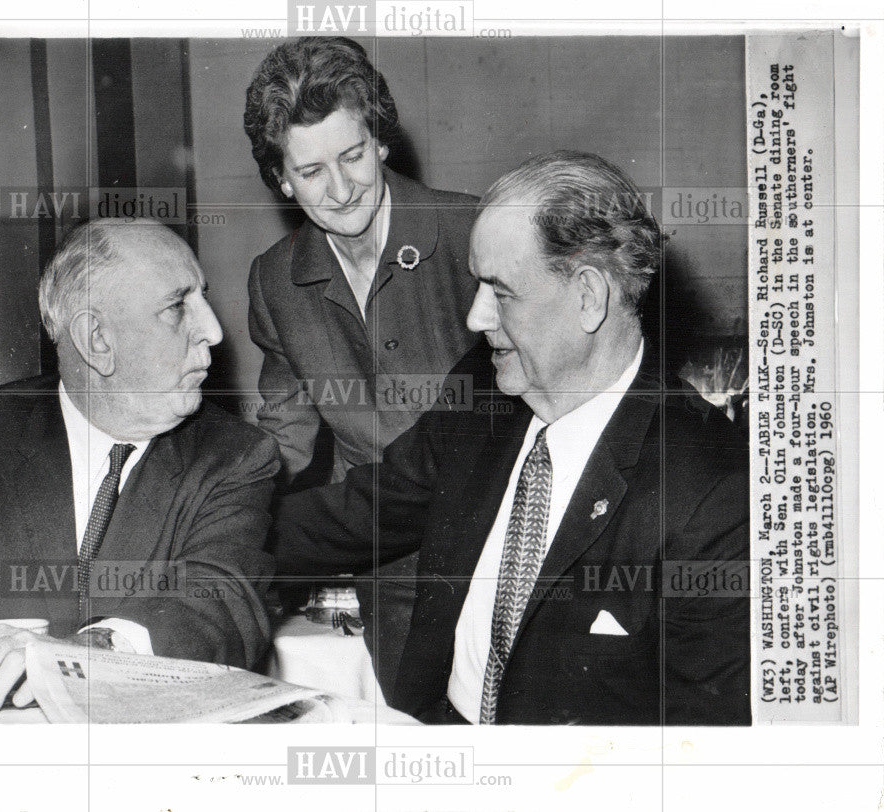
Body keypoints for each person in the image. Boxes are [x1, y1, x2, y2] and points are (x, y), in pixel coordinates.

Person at [272, 152, 752, 725]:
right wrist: (203, 534)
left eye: (500, 293)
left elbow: (703, 747)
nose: (475, 318)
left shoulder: (714, 489)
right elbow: (362, 511)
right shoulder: (483, 394)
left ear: (589, 297)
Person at [0, 219, 280, 715]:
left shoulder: (234, 456)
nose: (215, 332)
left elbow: (221, 603)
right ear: (97, 340)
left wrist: (86, 655)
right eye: (178, 306)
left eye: (203, 297)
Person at [243, 36, 479, 699]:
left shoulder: (471, 232)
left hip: (488, 537)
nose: (341, 189)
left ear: (381, 142)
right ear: (281, 180)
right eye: (312, 172)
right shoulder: (275, 279)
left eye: (352, 156)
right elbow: (284, 435)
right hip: (385, 561)